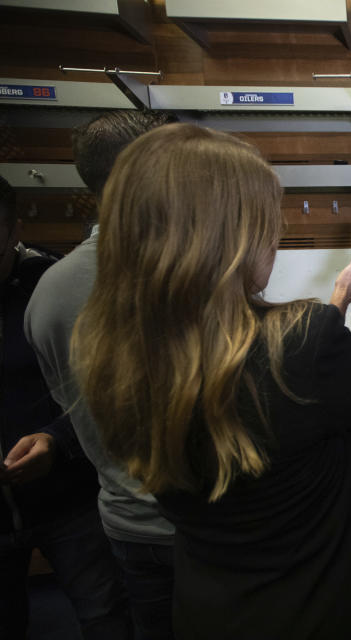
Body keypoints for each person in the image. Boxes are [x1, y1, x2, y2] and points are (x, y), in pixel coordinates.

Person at [68, 123, 351, 639]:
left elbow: (274, 376)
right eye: (265, 221)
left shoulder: (110, 355)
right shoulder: (304, 339)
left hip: (215, 606)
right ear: (225, 238)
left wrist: (337, 302)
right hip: (331, 604)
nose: (275, 237)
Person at [25, 110, 179, 640]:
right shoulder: (181, 273)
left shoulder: (47, 291)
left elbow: (66, 401)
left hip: (125, 523)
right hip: (202, 529)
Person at [0, 176, 130, 639]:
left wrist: (58, 439)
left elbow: (98, 392)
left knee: (107, 618)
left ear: (13, 229)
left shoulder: (49, 286)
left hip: (68, 498)